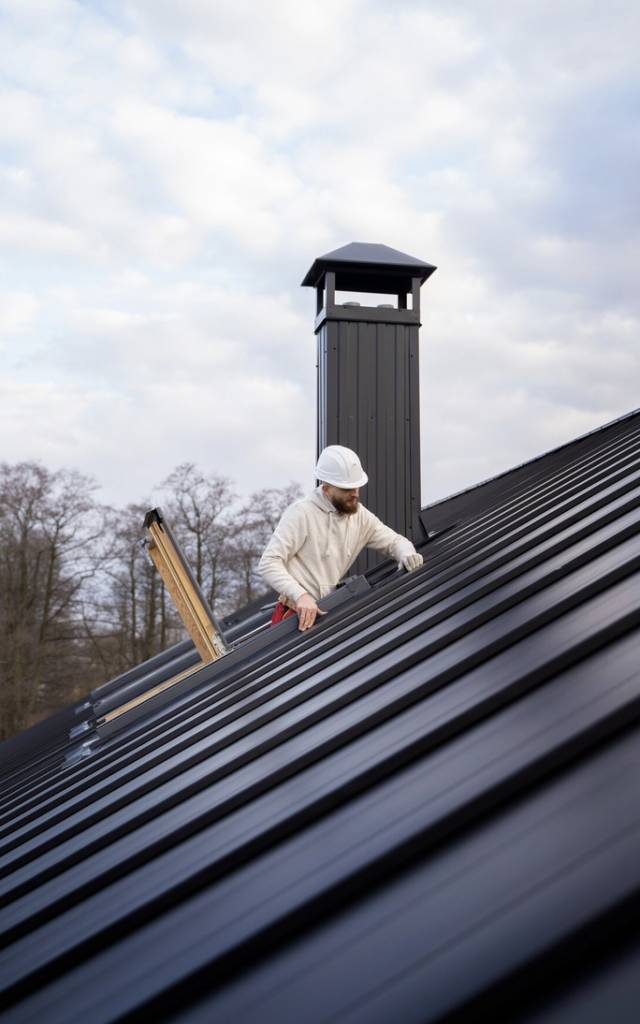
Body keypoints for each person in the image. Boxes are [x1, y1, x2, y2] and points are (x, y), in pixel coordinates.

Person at [258, 445, 424, 631]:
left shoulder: (360, 516)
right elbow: (269, 562)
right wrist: (301, 595)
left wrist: (407, 553)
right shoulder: (301, 513)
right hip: (294, 615)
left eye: (356, 486)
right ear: (327, 489)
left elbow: (395, 542)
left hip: (325, 613)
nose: (354, 493)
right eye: (347, 488)